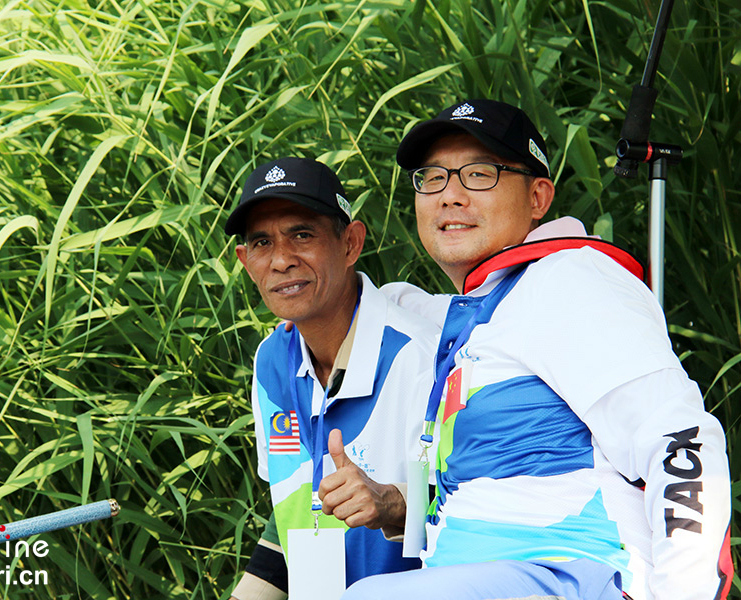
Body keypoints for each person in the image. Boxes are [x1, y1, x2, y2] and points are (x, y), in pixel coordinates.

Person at [342, 99, 733, 600]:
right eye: (433, 177)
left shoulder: (570, 280)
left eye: (479, 174)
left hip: (574, 575)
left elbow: (682, 440)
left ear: (538, 198)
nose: (449, 195)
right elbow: (371, 305)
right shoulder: (477, 309)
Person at [224, 157, 440, 599]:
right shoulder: (271, 361)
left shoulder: (420, 356)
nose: (282, 260)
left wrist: (392, 503)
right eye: (262, 243)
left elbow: (481, 508)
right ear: (246, 262)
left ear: (350, 243)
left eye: (302, 234)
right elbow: (294, 511)